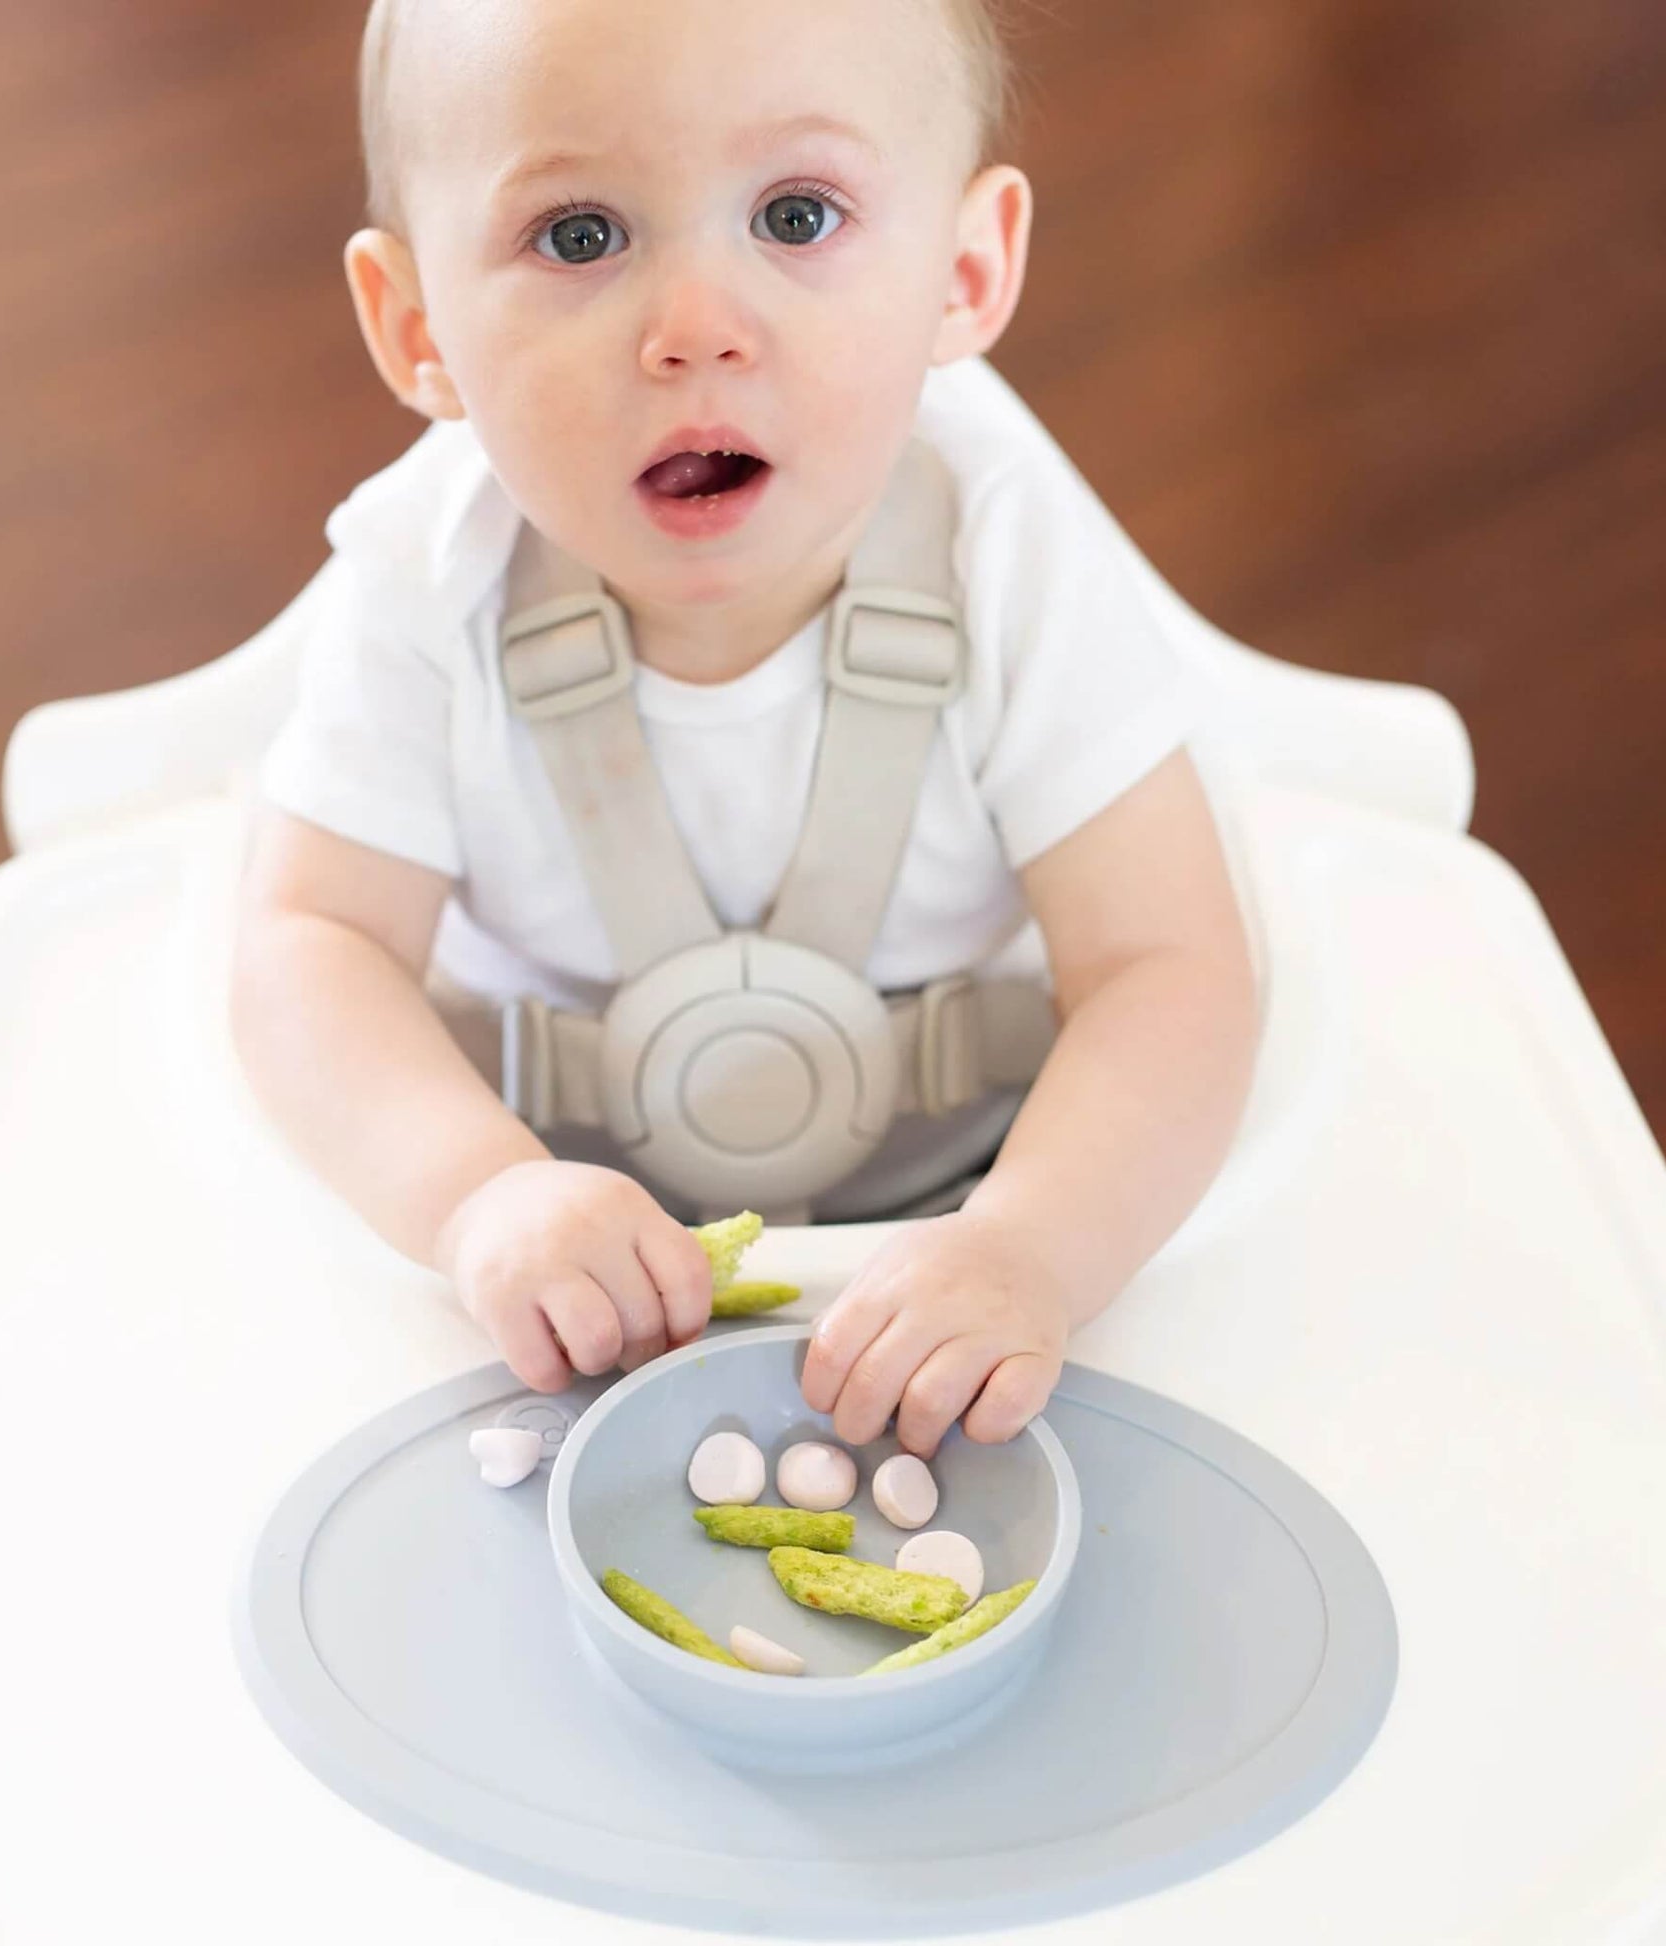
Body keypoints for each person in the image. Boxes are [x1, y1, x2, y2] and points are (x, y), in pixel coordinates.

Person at [229, 0, 1259, 1464]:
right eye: (579, 236)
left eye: (795, 212)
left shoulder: (1009, 558)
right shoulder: (418, 580)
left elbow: (1171, 970)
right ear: (417, 328)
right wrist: (474, 1196)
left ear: (964, 271)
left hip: (965, 1207)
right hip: (562, 1264)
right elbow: (304, 950)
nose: (696, 328)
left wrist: (1033, 1245)